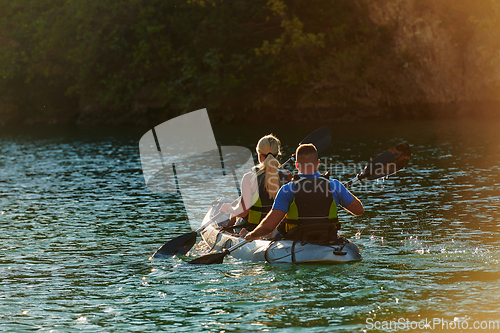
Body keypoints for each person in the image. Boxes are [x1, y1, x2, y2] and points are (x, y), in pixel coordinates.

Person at [243, 143, 363, 242]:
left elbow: (268, 227)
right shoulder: (335, 186)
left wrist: (251, 235)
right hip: (327, 238)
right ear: (317, 163)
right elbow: (359, 210)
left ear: (296, 165)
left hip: (296, 240)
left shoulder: (287, 189)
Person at [220, 134, 292, 232]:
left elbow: (242, 212)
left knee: (234, 210)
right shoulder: (288, 176)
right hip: (278, 229)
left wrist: (229, 209)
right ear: (276, 155)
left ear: (259, 155)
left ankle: (229, 228)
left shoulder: (249, 177)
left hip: (253, 228)